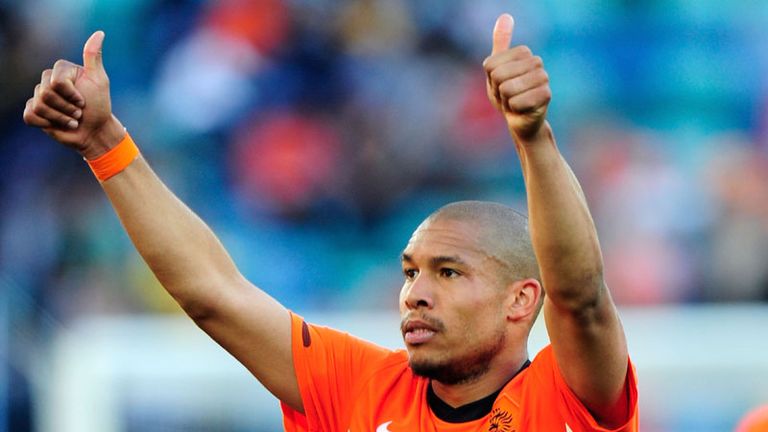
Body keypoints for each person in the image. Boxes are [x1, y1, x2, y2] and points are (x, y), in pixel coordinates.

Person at [23, 13, 638, 432]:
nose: (415, 293)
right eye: (410, 272)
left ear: (521, 300)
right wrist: (105, 144)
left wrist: (532, 138)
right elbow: (213, 295)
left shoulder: (569, 398)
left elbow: (580, 297)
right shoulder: (359, 389)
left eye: (448, 272)